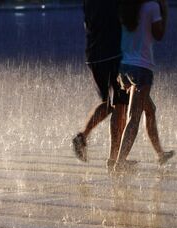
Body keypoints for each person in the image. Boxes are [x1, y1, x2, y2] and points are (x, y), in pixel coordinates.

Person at [114, 0, 174, 171]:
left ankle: (160, 154)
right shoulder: (152, 7)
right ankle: (120, 162)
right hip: (141, 68)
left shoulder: (125, 6)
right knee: (134, 117)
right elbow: (159, 35)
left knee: (150, 109)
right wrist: (164, 11)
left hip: (124, 67)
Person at [73, 0, 128, 169]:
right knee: (120, 104)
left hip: (93, 54)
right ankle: (115, 159)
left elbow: (87, 23)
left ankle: (82, 137)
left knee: (110, 102)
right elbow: (126, 18)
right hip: (111, 53)